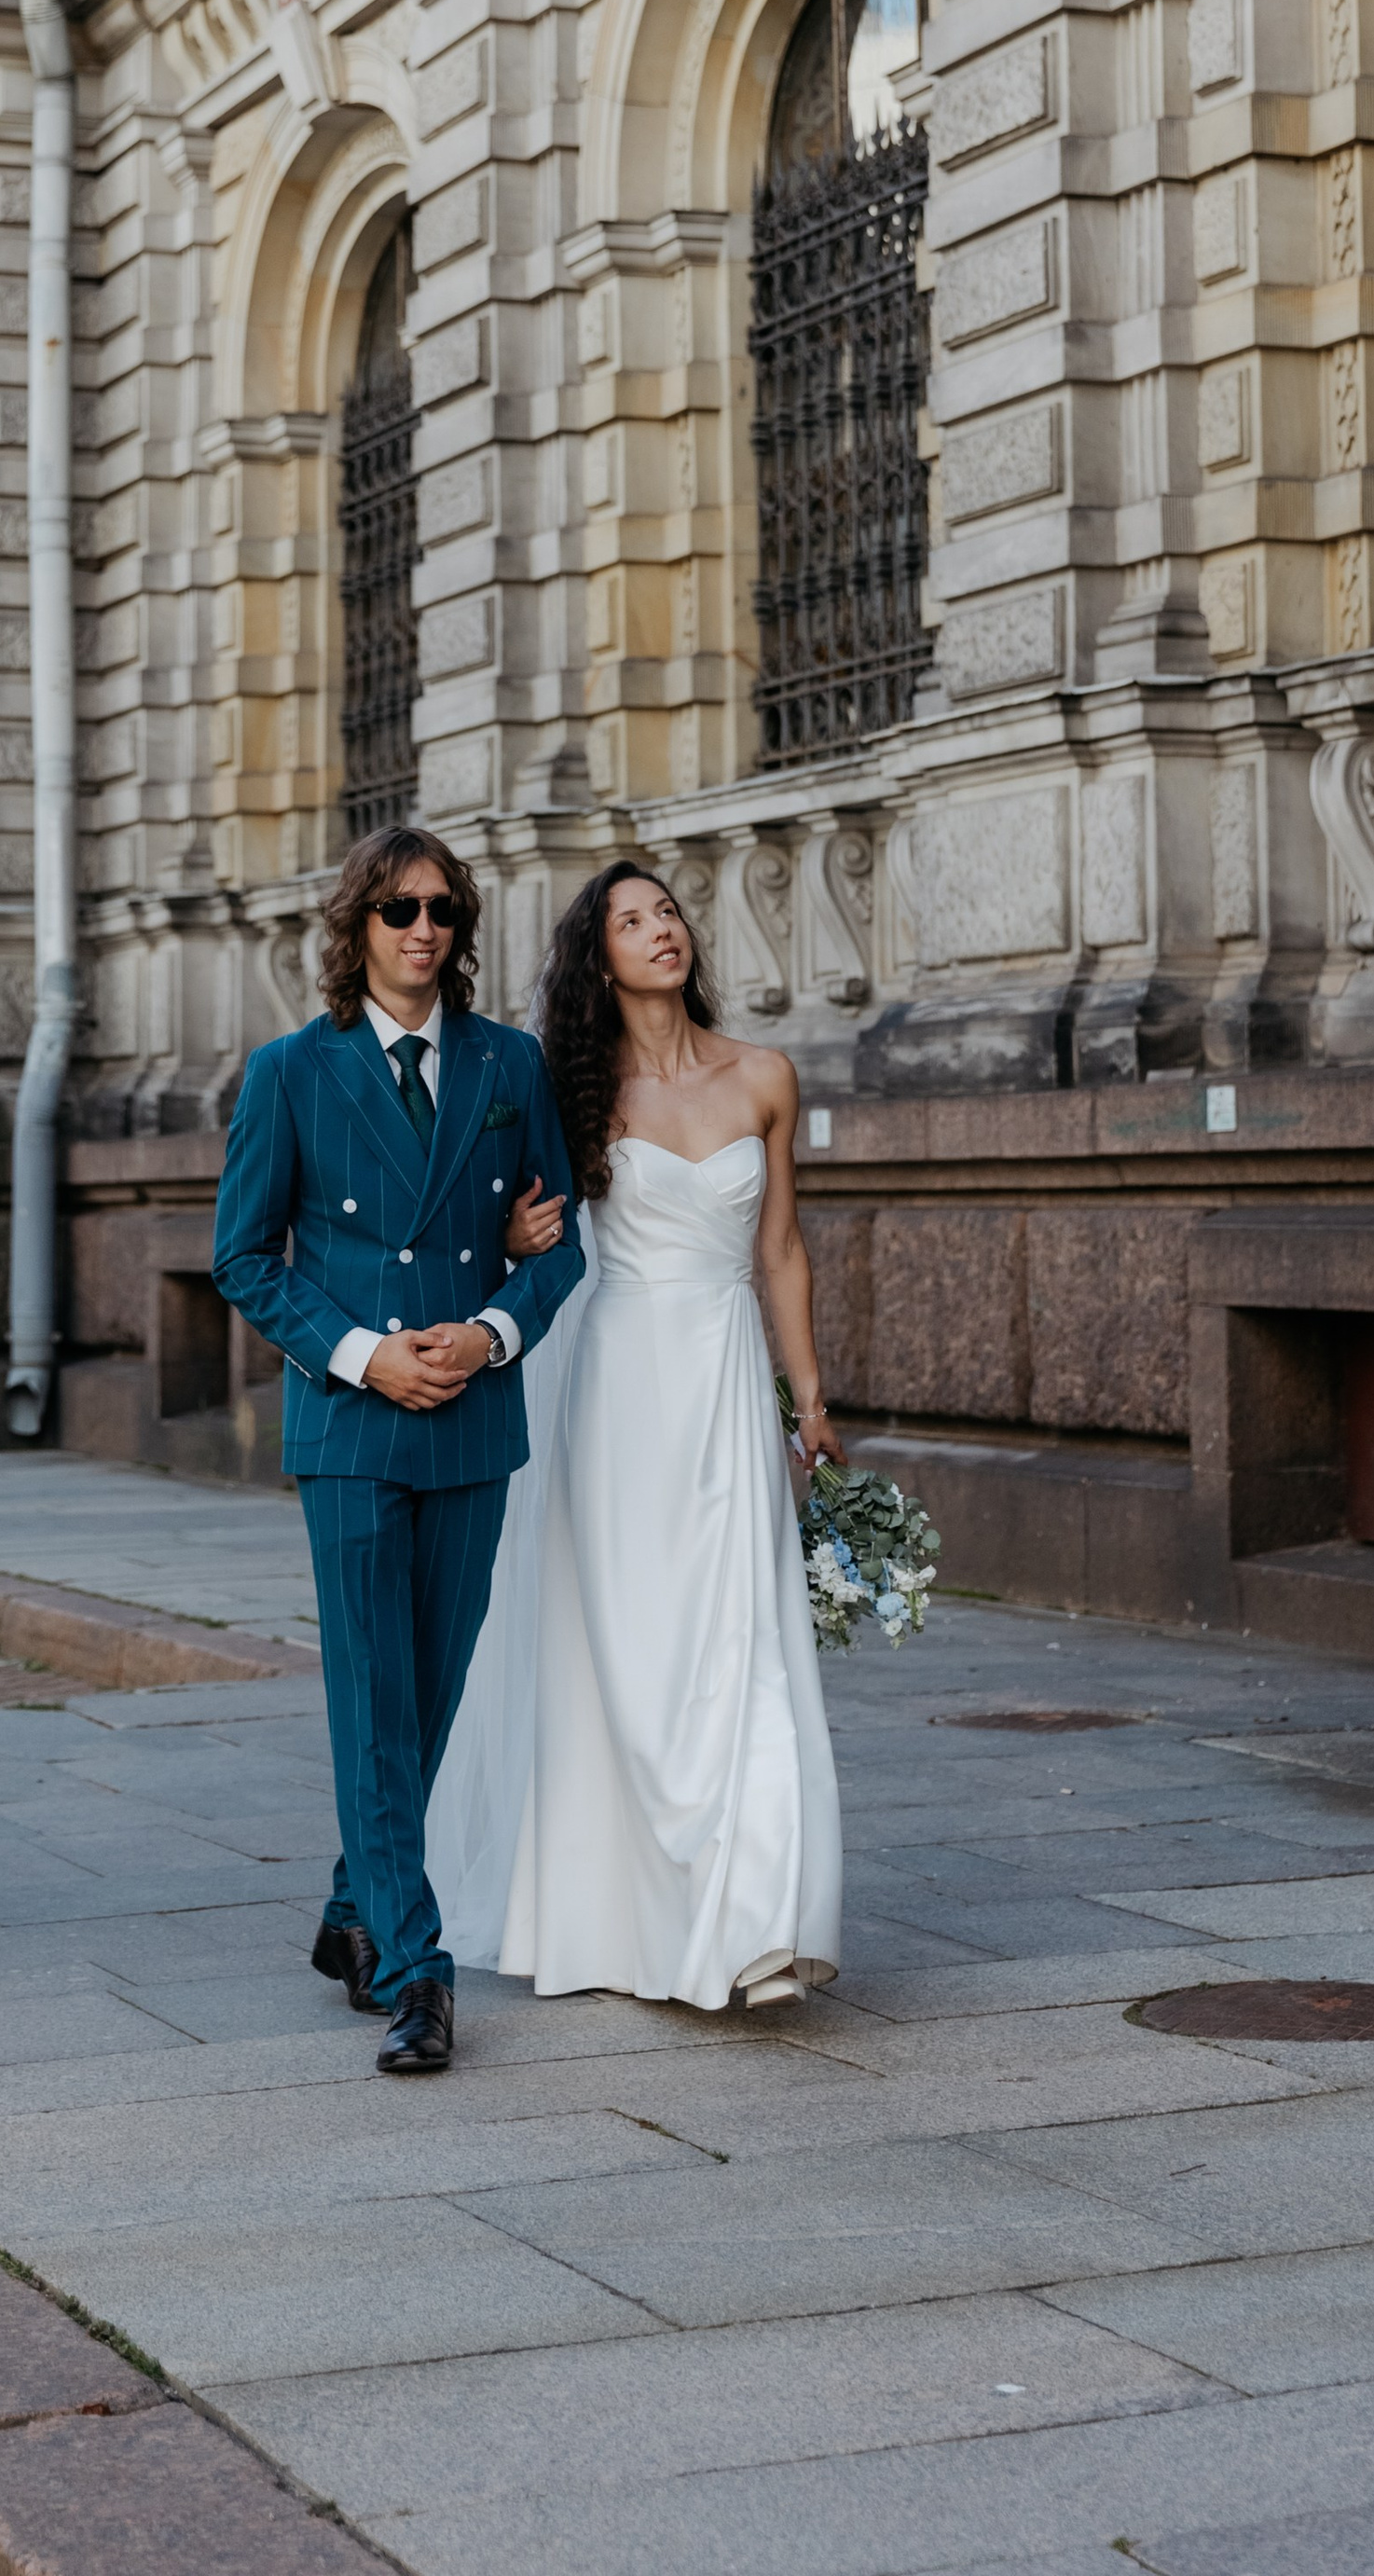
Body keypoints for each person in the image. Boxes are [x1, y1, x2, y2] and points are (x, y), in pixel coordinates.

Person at [428, 859, 843, 2008]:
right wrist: (513, 1231)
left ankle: (755, 1926)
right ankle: (626, 1922)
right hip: (613, 1387)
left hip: (720, 1377)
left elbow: (780, 1252)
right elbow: (517, 1232)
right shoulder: (570, 1092)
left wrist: (808, 1402)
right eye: (630, 919)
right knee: (625, 1653)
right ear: (596, 956)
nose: (660, 930)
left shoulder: (763, 1076)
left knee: (742, 1643)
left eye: (667, 912)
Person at [211, 824, 582, 2074]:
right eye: (398, 910)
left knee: (426, 1696)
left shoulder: (507, 1064)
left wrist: (488, 1332)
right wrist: (369, 1352)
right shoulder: (290, 1073)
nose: (423, 930)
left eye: (441, 912)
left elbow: (562, 1244)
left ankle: (349, 1904)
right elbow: (245, 1258)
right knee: (375, 1698)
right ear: (355, 929)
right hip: (356, 1424)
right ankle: (417, 1972)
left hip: (474, 1417)